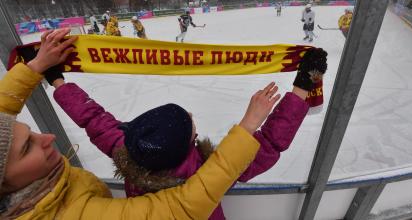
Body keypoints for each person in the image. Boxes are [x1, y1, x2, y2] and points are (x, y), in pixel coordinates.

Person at [0, 28, 273, 219]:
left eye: (29, 132)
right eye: (26, 148)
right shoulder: (74, 215)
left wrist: (43, 70)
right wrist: (249, 126)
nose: (47, 137)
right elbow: (185, 207)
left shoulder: (125, 148)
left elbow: (93, 118)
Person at [49, 44, 327, 219]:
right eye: (191, 126)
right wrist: (303, 86)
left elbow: (93, 119)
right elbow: (268, 144)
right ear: (191, 142)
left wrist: (57, 81)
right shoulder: (208, 174)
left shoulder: (130, 150)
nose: (193, 118)